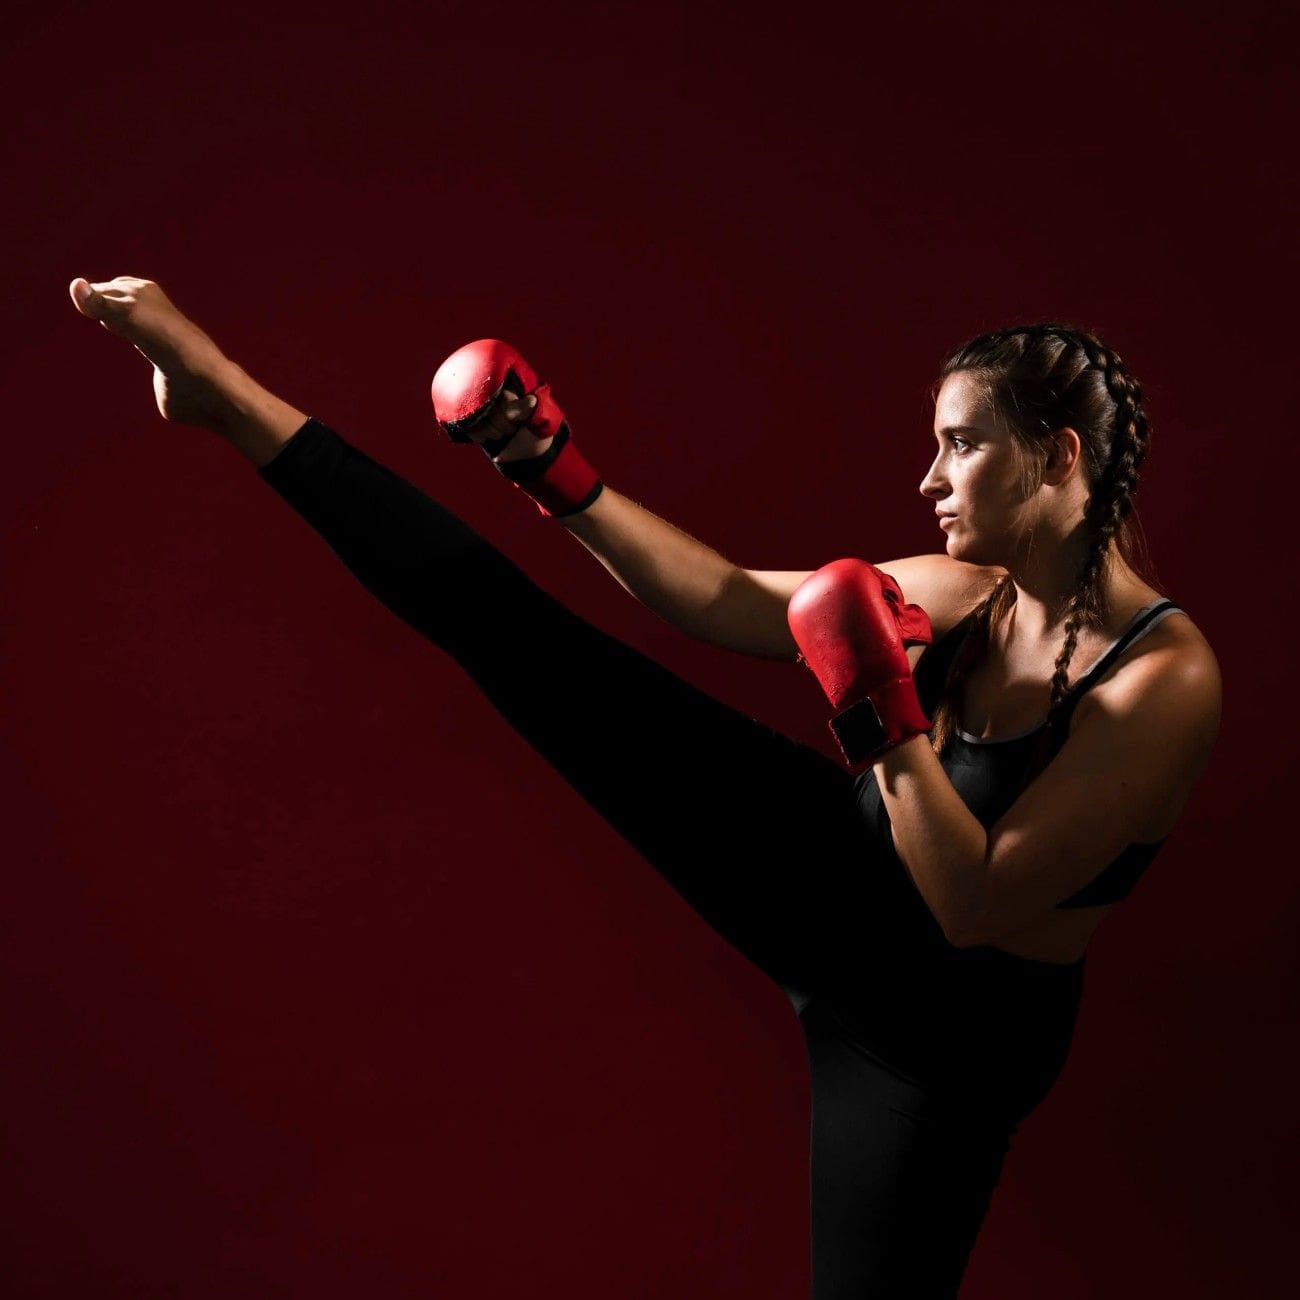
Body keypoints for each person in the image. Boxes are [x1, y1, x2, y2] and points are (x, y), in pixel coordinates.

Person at [67, 275, 1221, 1298]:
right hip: (832, 871)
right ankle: (223, 392)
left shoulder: (1161, 681)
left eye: (961, 445)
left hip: (937, 1034)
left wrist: (877, 712)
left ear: (1059, 455)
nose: (927, 479)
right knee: (519, 639)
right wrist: (553, 473)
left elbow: (976, 905)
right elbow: (720, 596)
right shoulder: (973, 592)